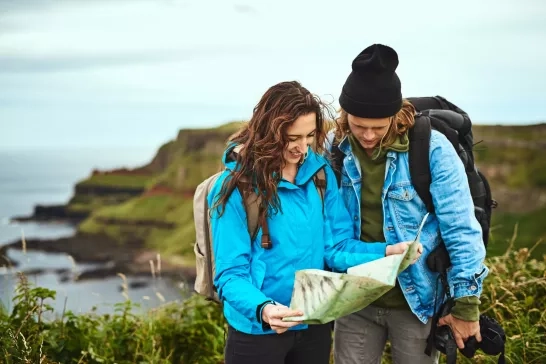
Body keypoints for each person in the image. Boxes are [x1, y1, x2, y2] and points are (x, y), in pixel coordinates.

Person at [208, 81, 419, 364]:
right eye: (292, 137)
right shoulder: (234, 187)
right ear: (269, 131)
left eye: (309, 135)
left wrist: (385, 252)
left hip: (313, 324)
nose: (302, 147)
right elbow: (230, 274)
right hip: (256, 331)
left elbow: (336, 248)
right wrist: (264, 309)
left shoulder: (320, 176)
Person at [330, 44, 489, 364]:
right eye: (360, 126)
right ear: (345, 116)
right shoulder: (335, 148)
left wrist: (466, 305)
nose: (369, 136)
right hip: (356, 299)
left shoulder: (432, 150)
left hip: (417, 301)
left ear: (395, 114)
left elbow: (460, 227)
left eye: (379, 126)